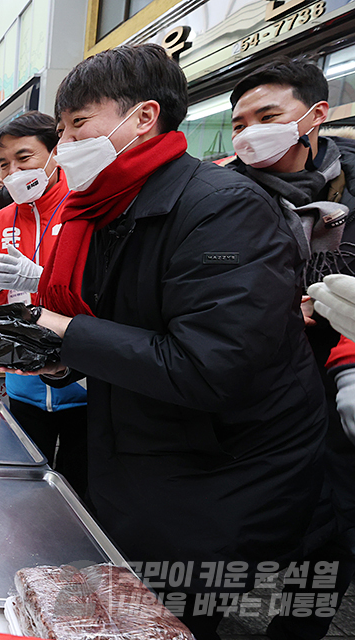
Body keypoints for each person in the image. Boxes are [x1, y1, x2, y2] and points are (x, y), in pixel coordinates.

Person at [26, 44, 329, 638]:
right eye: (60, 132)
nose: (63, 148)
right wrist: (60, 359)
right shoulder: (107, 208)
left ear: (144, 117)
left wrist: (64, 331)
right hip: (147, 444)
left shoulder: (223, 211)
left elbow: (209, 364)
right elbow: (124, 325)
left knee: (174, 615)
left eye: (78, 125)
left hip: (222, 466)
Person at [229, 57, 355, 640]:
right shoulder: (223, 195)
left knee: (329, 533)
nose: (250, 132)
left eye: (267, 115)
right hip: (256, 384)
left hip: (341, 387)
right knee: (246, 520)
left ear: (315, 115)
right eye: (238, 122)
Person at [0, 111, 88, 497]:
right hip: (22, 385)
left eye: (24, 158)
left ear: (55, 152)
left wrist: (41, 280)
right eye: (4, 164)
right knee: (26, 484)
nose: (13, 171)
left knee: (84, 487)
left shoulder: (84, 210)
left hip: (85, 385)